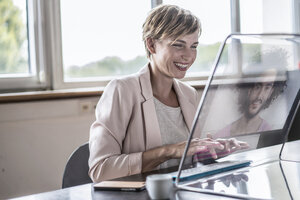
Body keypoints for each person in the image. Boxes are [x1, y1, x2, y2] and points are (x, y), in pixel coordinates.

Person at [88, 4, 247, 183]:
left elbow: (187, 161)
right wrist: (168, 151)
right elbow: (100, 170)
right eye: (178, 45)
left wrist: (211, 152)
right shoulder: (122, 90)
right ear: (151, 44)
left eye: (193, 46)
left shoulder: (189, 94)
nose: (188, 56)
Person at [214, 50, 287, 138]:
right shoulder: (223, 134)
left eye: (267, 88)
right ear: (248, 86)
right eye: (257, 86)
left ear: (271, 92)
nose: (259, 96)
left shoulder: (270, 134)